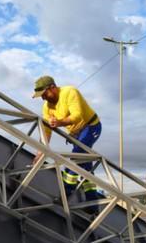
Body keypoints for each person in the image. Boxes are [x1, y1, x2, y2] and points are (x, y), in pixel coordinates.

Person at [31, 75, 103, 204]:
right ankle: (93, 203)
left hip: (91, 127)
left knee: (75, 157)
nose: (43, 98)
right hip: (76, 134)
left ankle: (66, 192)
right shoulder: (47, 107)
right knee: (85, 165)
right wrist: (40, 153)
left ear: (52, 88)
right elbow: (46, 131)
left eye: (44, 94)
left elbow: (77, 116)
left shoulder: (70, 92)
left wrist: (59, 122)